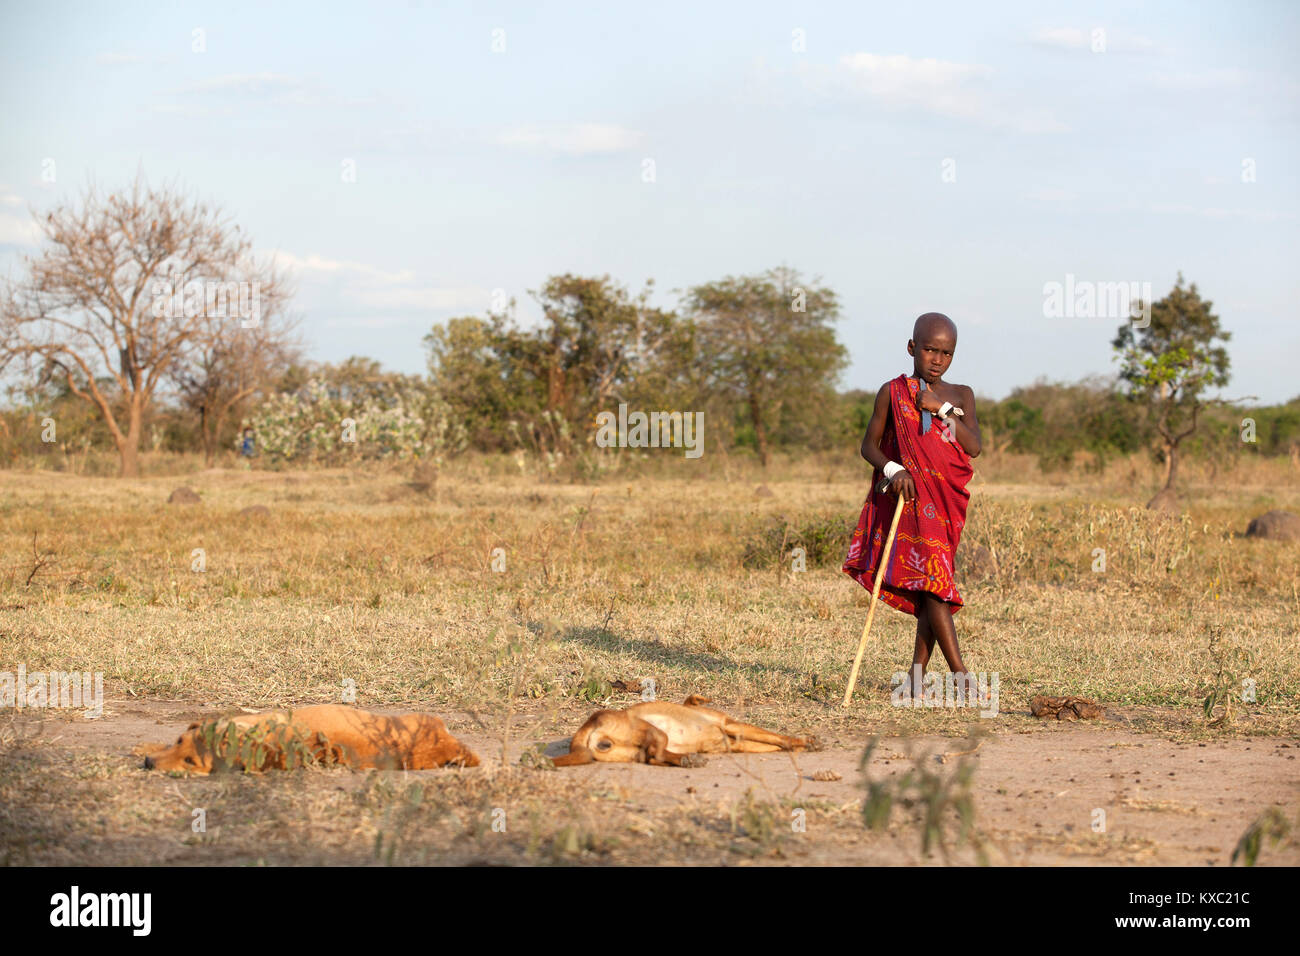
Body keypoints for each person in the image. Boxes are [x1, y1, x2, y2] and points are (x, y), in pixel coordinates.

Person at [842, 312, 982, 701]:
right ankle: (961, 677)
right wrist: (894, 468)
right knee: (935, 584)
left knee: (929, 586)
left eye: (946, 353)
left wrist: (940, 408)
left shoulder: (961, 395)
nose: (937, 360)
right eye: (930, 350)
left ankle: (916, 678)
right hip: (913, 500)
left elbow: (972, 446)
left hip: (948, 501)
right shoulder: (891, 392)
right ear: (912, 348)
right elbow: (869, 446)